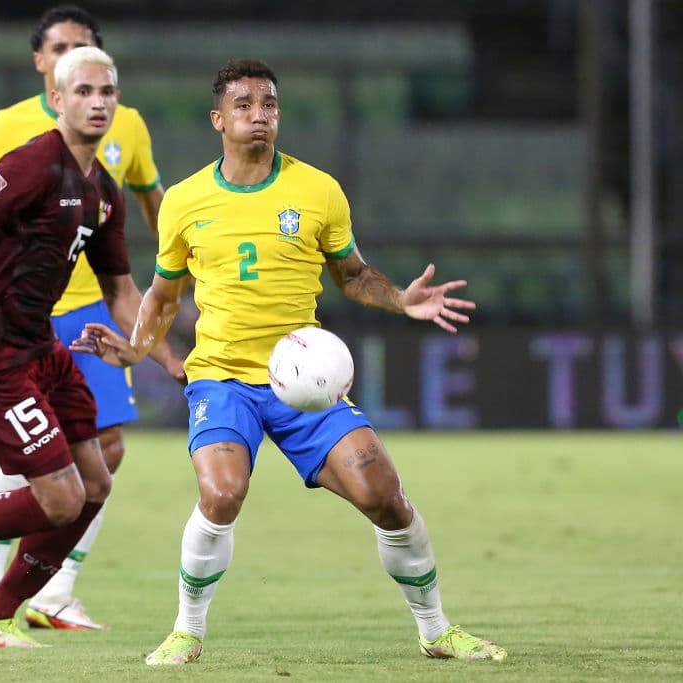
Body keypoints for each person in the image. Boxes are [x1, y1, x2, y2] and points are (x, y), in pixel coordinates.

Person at [72, 58, 508, 666]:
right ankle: (187, 631)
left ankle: (436, 630)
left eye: (269, 104)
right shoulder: (186, 201)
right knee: (222, 494)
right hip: (222, 376)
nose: (259, 115)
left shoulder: (318, 190)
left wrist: (400, 299)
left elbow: (353, 276)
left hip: (306, 382)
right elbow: (166, 293)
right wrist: (140, 349)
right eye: (245, 105)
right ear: (217, 118)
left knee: (384, 496)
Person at [0, 46, 180, 650]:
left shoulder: (102, 189)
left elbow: (123, 291)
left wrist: (170, 361)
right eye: (84, 92)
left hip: (42, 348)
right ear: (57, 99)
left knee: (95, 486)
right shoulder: (31, 164)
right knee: (61, 498)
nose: (98, 102)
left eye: (107, 93)